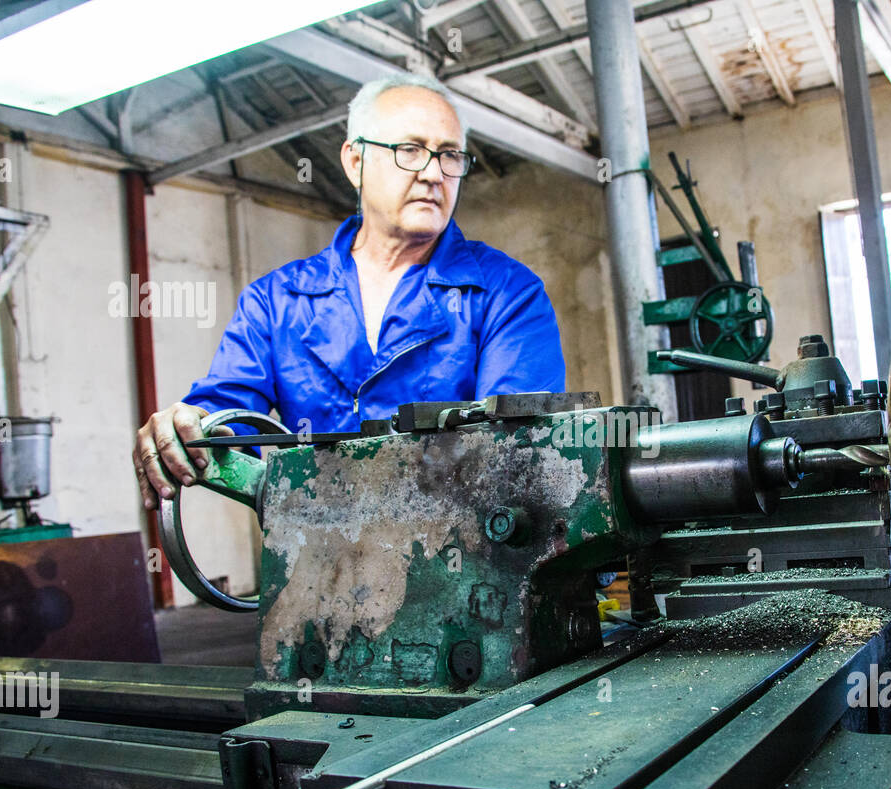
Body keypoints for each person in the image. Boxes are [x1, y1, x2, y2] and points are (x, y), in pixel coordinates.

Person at [133, 75, 566, 510]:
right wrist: (187, 428)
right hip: (316, 562)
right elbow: (224, 416)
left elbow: (517, 450)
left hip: (463, 567)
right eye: (410, 150)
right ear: (355, 161)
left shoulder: (507, 293)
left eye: (450, 155)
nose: (434, 173)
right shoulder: (276, 301)